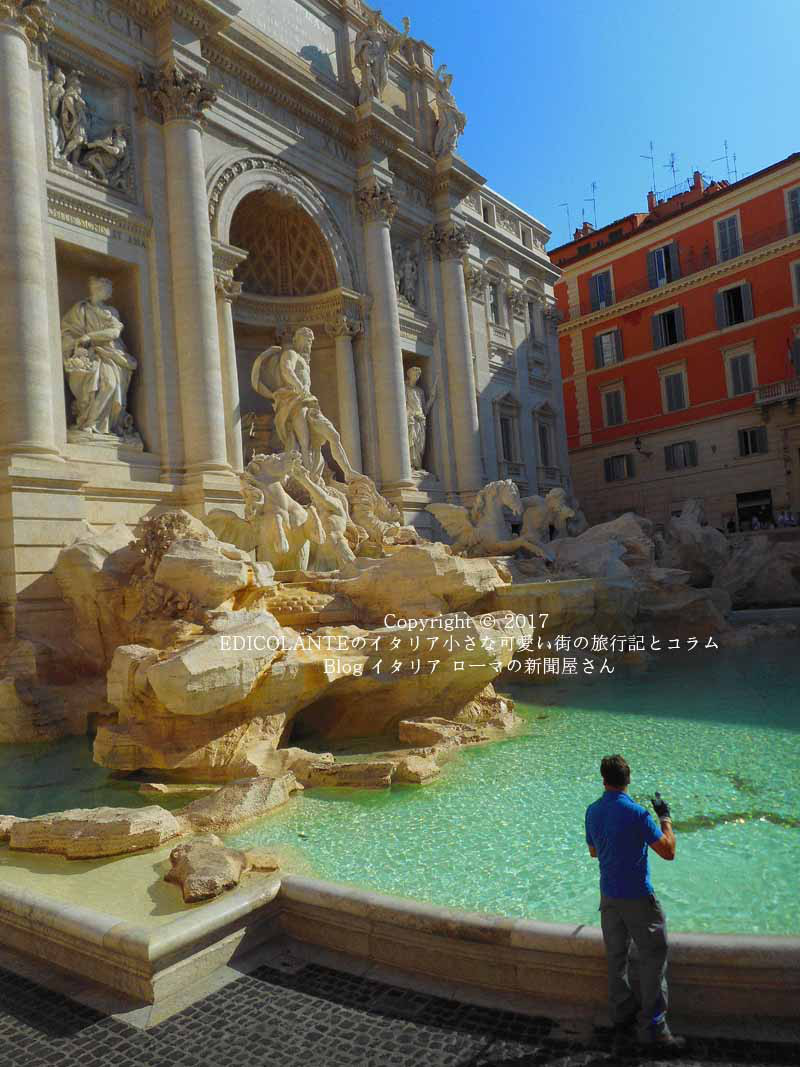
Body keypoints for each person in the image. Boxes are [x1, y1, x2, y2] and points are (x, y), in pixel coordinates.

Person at [585, 755, 684, 1052]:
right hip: (638, 897)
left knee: (616, 958)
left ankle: (621, 1017)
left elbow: (593, 851)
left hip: (609, 897)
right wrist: (664, 817)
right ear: (628, 780)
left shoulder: (592, 811)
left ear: (604, 780)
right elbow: (668, 852)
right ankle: (653, 1028)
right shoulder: (640, 814)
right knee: (654, 956)